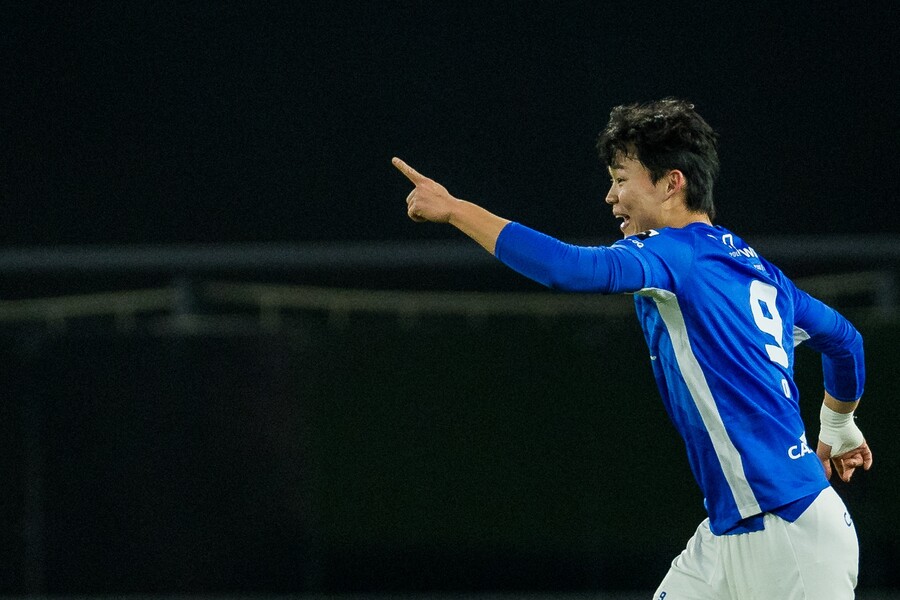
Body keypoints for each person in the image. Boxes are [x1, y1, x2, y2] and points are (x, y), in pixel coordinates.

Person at [392, 98, 873, 599]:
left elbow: (568, 268)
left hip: (791, 532)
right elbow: (845, 341)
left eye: (621, 179)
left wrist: (455, 210)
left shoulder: (677, 255)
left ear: (671, 183)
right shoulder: (761, 273)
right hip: (729, 532)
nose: (610, 196)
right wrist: (838, 426)